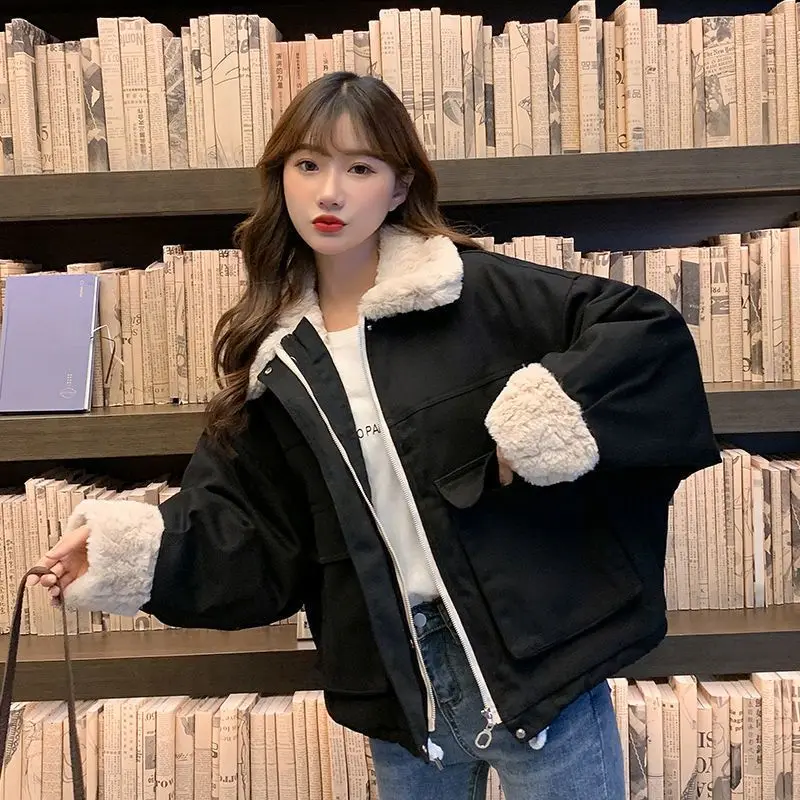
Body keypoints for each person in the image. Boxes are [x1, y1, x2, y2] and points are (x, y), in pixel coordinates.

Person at [32, 72, 720, 799]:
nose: (330, 193)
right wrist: (128, 553)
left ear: (398, 187)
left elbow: (643, 332)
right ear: (281, 178)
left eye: (360, 168)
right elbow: (246, 530)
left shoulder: (474, 292)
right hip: (400, 691)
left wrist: (544, 416)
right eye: (308, 164)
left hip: (539, 673)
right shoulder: (277, 362)